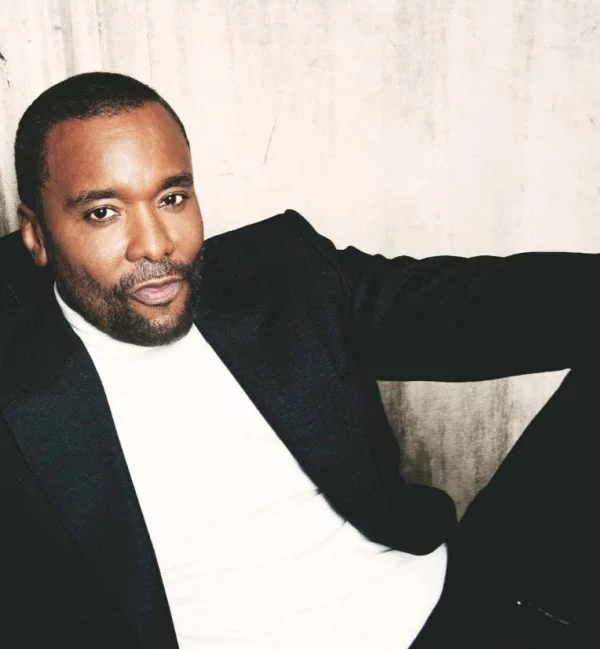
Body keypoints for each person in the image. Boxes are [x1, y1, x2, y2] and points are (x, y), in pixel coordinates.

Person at [0, 72, 596, 648]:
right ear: (36, 235)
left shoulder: (285, 279)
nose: (155, 244)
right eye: (102, 212)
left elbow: (487, 306)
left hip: (447, 608)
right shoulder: (20, 383)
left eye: (173, 198)